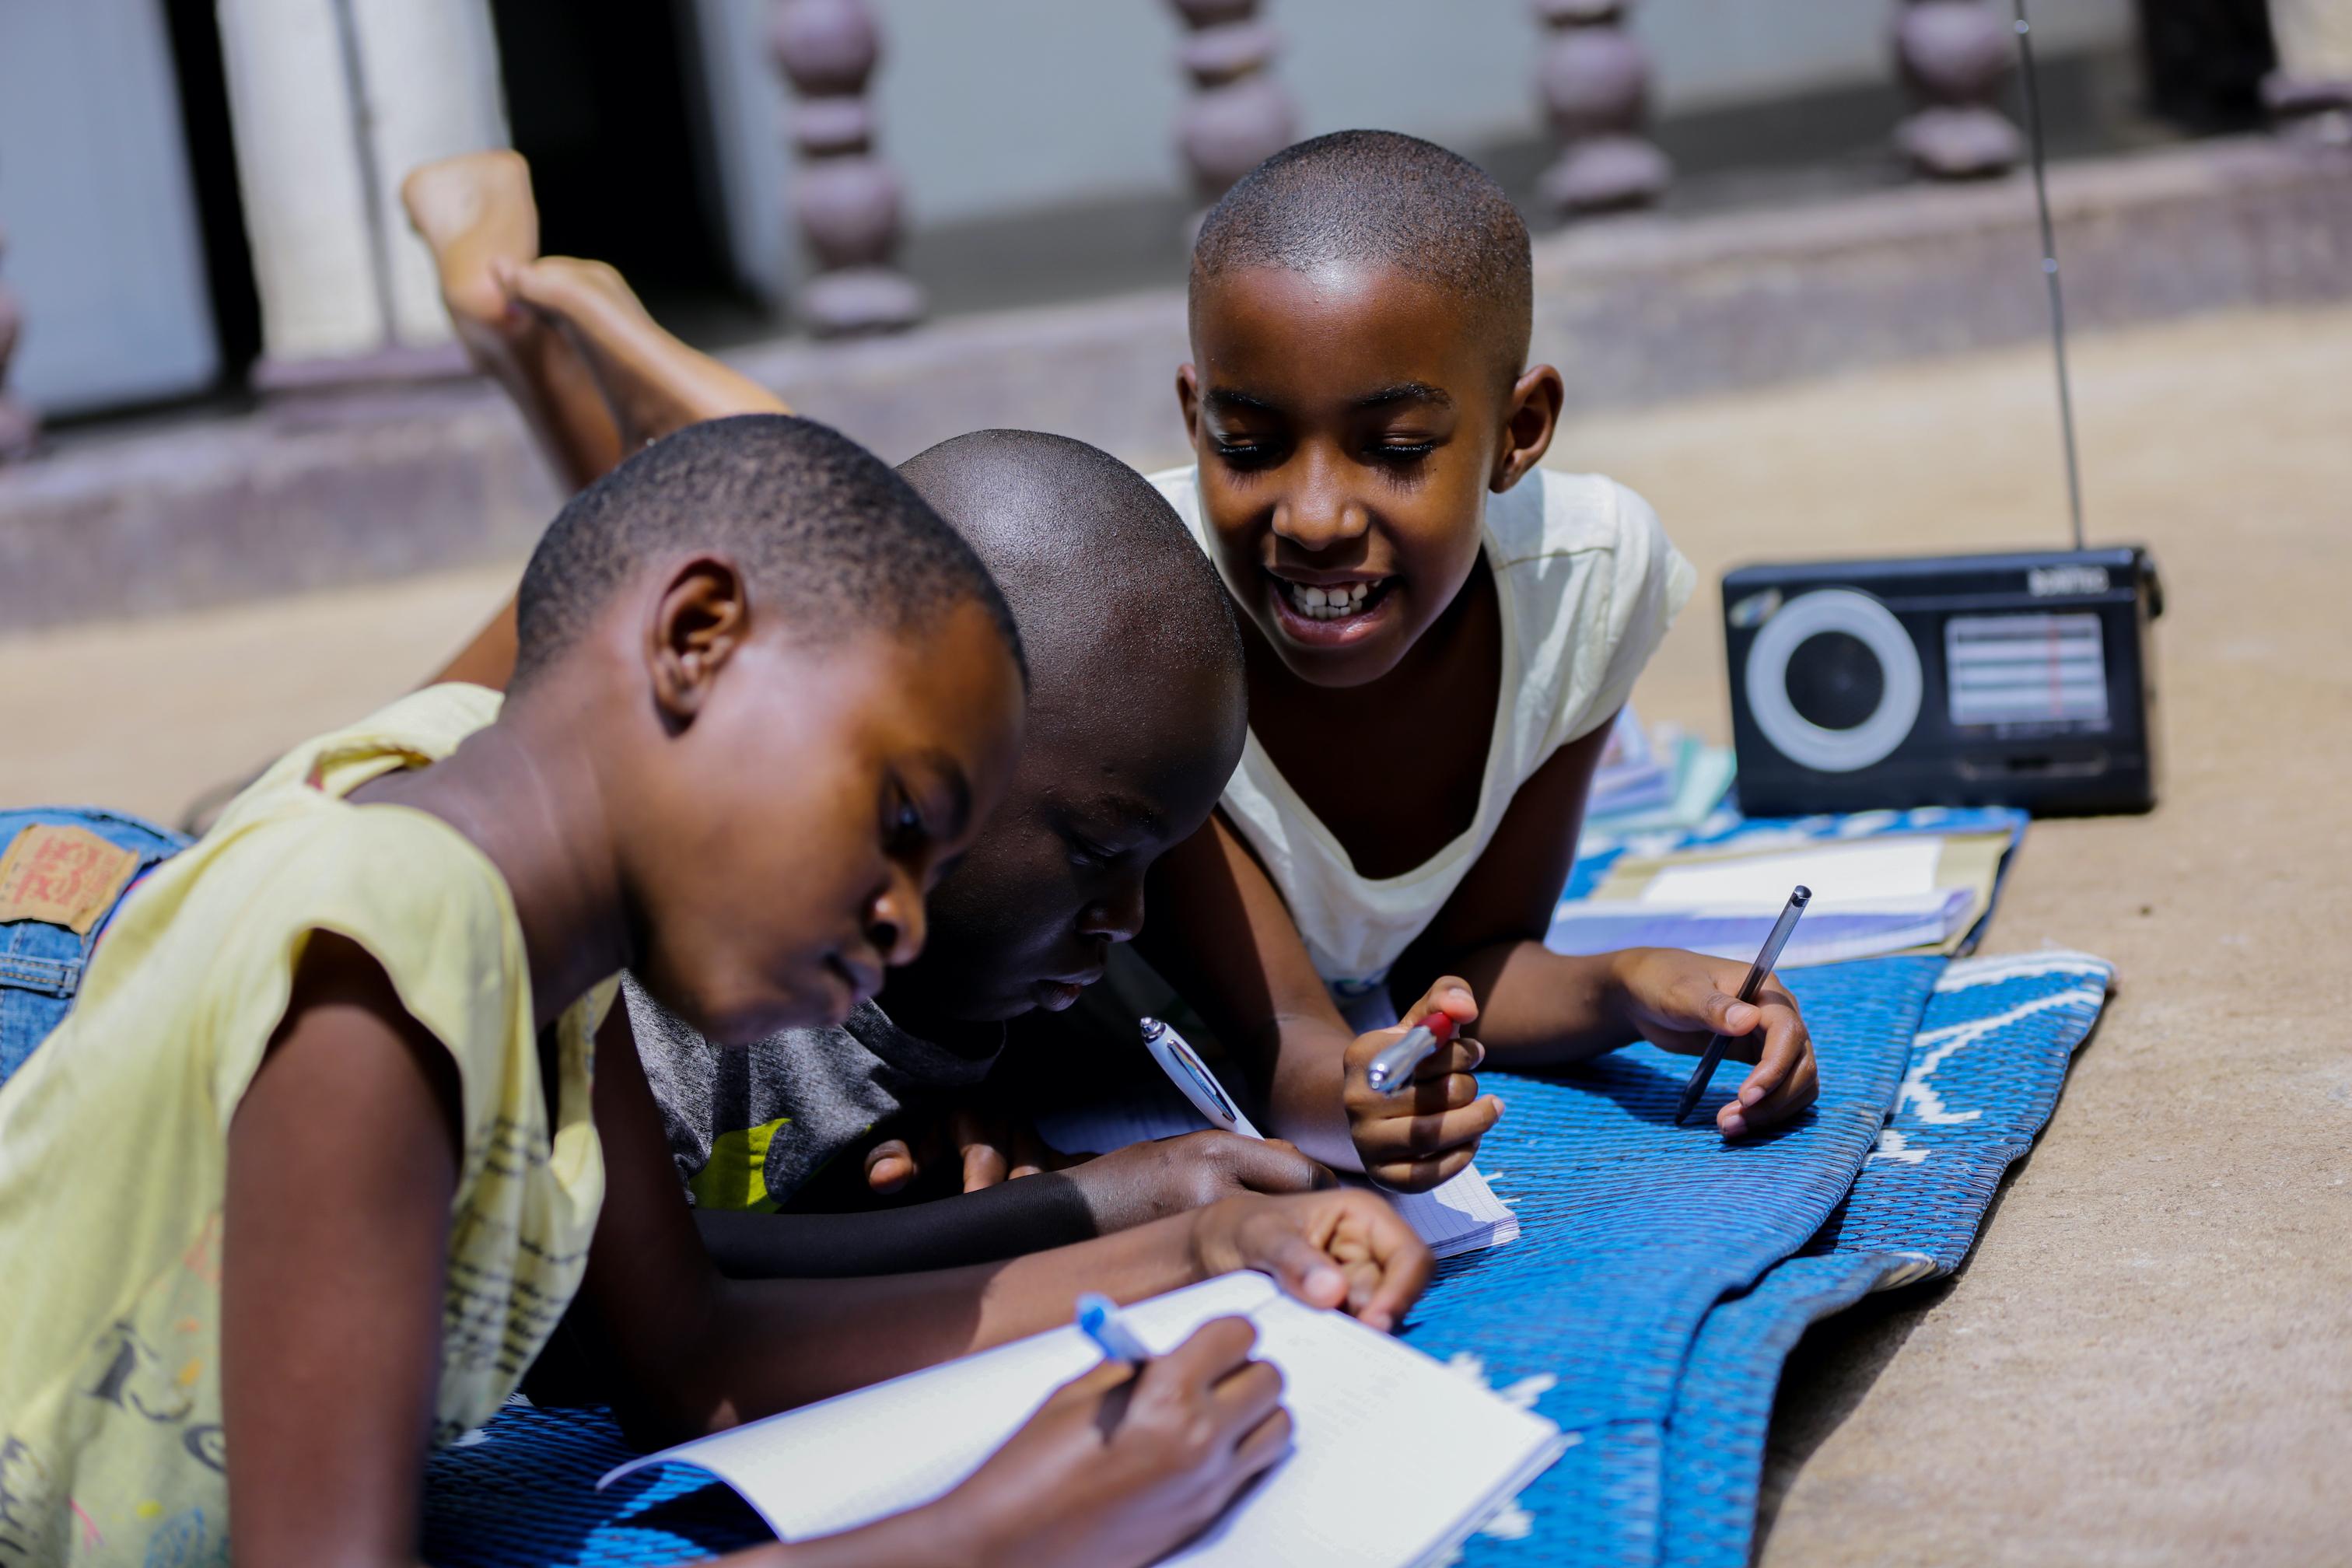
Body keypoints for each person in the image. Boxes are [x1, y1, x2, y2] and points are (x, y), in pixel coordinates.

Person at [0, 415, 1431, 1568]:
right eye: (898, 815)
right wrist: (996, 1533)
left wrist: (1191, 1241)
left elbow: (688, 1341)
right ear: (697, 640)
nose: (903, 909)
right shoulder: (386, 961)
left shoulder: (504, 898)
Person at [397, 150, 1482, 1251]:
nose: (1135, 924)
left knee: (800, 545)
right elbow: (653, 1305)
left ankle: (525, 329)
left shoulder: (1055, 877)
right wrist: (1105, 1207)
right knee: (730, 552)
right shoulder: (656, 965)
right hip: (389, 779)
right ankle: (524, 317)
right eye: (1104, 855)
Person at [1125, 130, 1821, 1183]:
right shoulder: (1142, 619)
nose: (1313, 517)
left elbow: (1470, 963)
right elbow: (1283, 1043)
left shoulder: (1584, 580)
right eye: (1250, 446)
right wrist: (1355, 1098)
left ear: (1520, 429)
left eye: (1397, 450)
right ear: (1195, 418)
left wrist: (1632, 985)